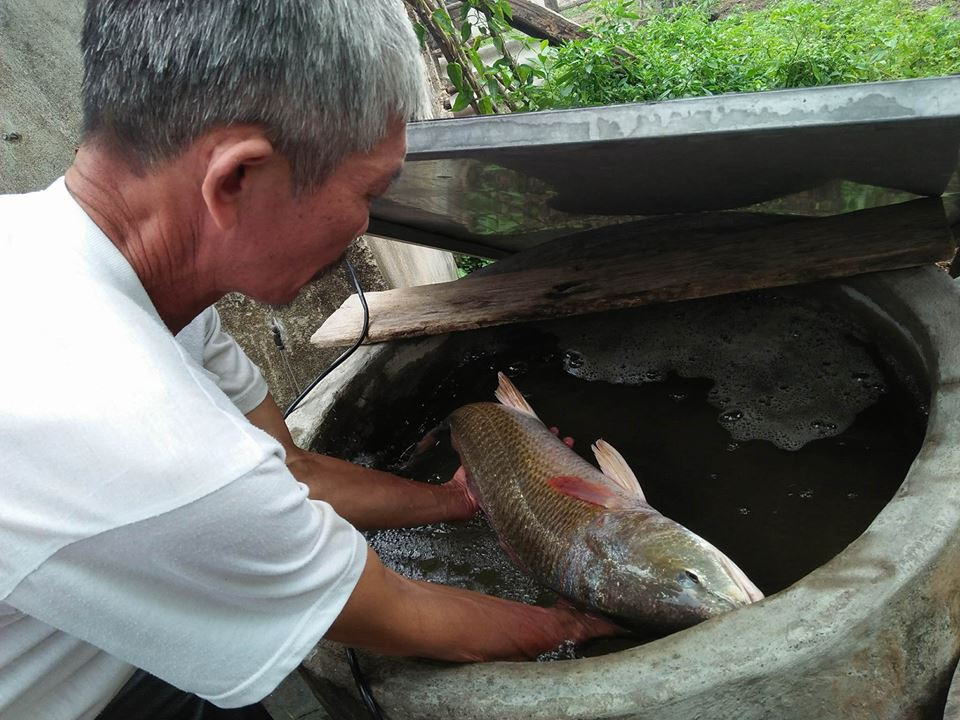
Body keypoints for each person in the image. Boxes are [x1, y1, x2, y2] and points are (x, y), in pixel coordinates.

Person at [0, 1, 620, 718]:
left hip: (87, 641)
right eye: (370, 192)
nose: (366, 223)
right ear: (237, 178)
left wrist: (458, 501)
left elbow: (291, 470)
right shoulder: (142, 438)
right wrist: (586, 623)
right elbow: (396, 608)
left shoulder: (71, 262)